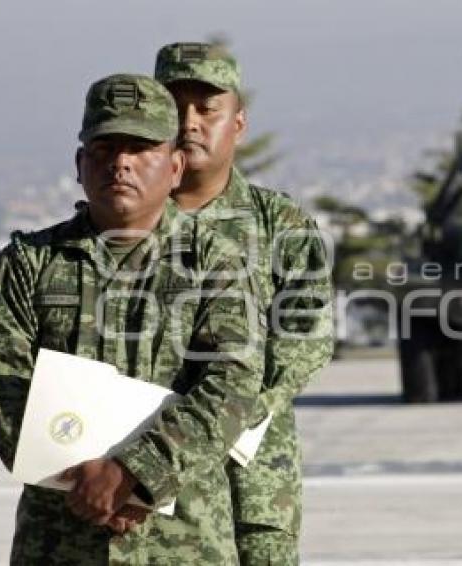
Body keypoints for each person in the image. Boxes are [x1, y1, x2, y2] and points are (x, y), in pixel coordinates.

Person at [0, 73, 266, 564]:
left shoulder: (218, 263)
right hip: (59, 537)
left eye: (140, 147)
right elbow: (1, 384)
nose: (120, 162)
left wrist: (136, 474)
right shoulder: (30, 263)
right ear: (79, 163)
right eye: (105, 147)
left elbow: (232, 384)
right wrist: (83, 481)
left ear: (174, 167)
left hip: (184, 542)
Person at [154, 42, 334, 565]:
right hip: (147, 473)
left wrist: (230, 412)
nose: (189, 122)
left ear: (238, 123)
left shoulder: (279, 223)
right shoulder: (122, 226)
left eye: (207, 108)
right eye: (174, 107)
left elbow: (307, 335)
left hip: (251, 480)